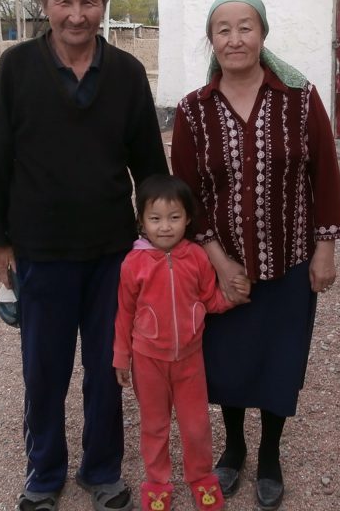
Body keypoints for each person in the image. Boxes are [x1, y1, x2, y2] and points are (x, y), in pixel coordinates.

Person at [0, 0, 169, 511]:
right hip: (40, 250)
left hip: (113, 251)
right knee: (44, 369)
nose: (77, 14)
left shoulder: (128, 74)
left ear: (104, 6)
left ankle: (102, 470)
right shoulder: (17, 67)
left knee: (109, 368)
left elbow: (150, 167)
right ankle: (44, 472)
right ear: (46, 4)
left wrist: (160, 240)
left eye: (89, 1)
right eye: (65, 0)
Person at [169, 0, 340, 511]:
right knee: (226, 363)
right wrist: (216, 262)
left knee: (279, 360)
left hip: (291, 260)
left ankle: (269, 453)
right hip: (222, 270)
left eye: (245, 27)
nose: (235, 38)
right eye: (223, 29)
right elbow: (186, 193)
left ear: (263, 35)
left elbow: (326, 175)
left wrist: (325, 248)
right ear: (212, 40)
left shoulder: (299, 97)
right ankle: (235, 448)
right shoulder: (194, 111)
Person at [113, 174, 250, 511]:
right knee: (155, 426)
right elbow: (124, 313)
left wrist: (233, 297)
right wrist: (121, 357)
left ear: (188, 219)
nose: (164, 227)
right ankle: (157, 483)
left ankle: (201, 477)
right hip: (148, 361)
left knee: (196, 425)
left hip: (190, 360)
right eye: (155, 218)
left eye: (174, 218)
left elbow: (210, 300)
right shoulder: (133, 263)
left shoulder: (196, 257)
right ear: (141, 221)